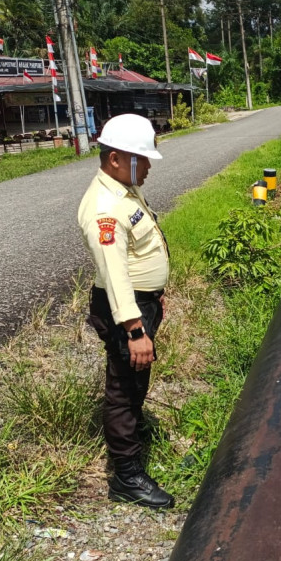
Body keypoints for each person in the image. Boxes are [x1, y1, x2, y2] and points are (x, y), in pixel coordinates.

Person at [77, 113, 174, 510]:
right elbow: (115, 274)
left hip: (140, 303)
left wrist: (155, 293)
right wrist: (136, 329)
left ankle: (132, 438)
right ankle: (127, 477)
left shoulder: (124, 187)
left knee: (134, 383)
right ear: (115, 157)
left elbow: (140, 252)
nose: (149, 165)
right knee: (122, 389)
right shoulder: (104, 206)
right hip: (125, 312)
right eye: (142, 158)